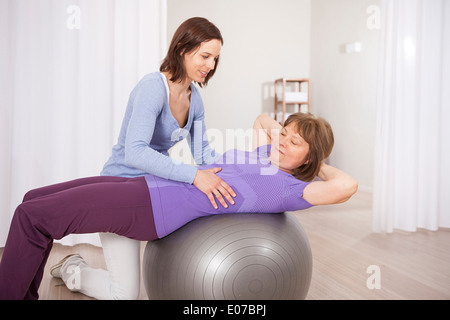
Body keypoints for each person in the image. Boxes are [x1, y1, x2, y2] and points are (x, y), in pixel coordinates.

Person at [0, 112, 358, 300]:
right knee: (33, 201)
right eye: (284, 135)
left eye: (294, 143)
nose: (282, 142)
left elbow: (348, 186)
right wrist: (291, 135)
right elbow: (262, 122)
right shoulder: (265, 154)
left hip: (149, 208)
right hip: (145, 184)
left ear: (309, 157)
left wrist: (315, 161)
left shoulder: (291, 189)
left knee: (31, 218)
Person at [61, 17, 236, 300]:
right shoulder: (152, 87)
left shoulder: (196, 100)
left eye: (215, 58)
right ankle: (73, 269)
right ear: (181, 48)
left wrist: (240, 170)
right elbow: (136, 151)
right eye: (205, 56)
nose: (211, 66)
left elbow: (204, 156)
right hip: (118, 189)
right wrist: (194, 175)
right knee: (125, 296)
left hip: (151, 190)